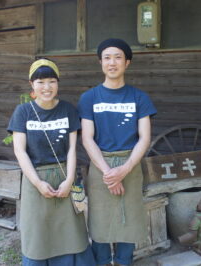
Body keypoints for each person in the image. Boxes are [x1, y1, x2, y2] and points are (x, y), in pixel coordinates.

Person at [7, 58, 96, 266]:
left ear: (57, 83)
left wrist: (69, 179)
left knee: (71, 232)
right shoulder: (23, 112)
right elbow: (20, 151)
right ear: (32, 85)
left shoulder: (67, 110)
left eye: (51, 81)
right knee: (38, 233)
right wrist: (38, 183)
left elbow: (72, 149)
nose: (46, 87)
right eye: (40, 82)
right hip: (35, 178)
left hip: (65, 175)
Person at [78, 38, 157, 266]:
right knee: (100, 219)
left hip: (130, 164)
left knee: (129, 218)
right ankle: (101, 261)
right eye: (107, 57)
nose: (112, 62)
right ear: (100, 62)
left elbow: (144, 137)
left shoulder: (139, 97)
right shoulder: (89, 98)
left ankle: (124, 261)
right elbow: (87, 138)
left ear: (127, 62)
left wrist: (125, 169)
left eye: (118, 57)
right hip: (100, 165)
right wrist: (108, 173)